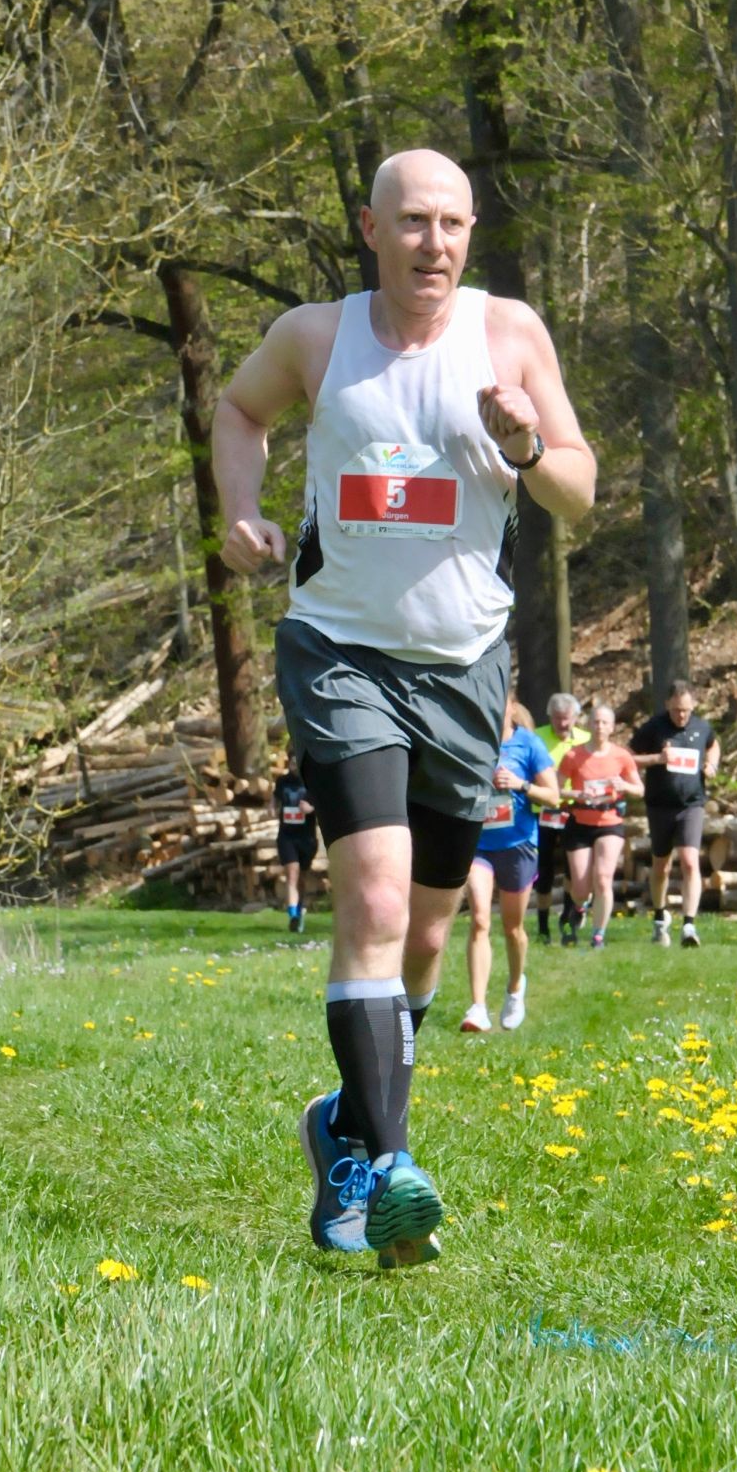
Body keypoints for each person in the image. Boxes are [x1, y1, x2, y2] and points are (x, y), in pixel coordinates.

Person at [213, 147, 595, 1267]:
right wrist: (242, 511)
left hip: (465, 667)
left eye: (453, 223)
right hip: (340, 653)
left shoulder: (509, 333)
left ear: (471, 234)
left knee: (427, 933)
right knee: (374, 899)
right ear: (371, 229)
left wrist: (526, 444)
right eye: (414, 221)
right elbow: (238, 410)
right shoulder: (315, 338)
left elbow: (577, 492)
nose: (435, 243)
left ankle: (342, 1126)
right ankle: (388, 1168)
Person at [461, 697, 559, 1034]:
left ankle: (515, 987)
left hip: (518, 844)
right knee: (479, 919)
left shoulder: (528, 744)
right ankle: (478, 1008)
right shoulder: (470, 740)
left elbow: (553, 796)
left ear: (511, 707)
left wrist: (520, 784)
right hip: (478, 845)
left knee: (512, 928)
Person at [629, 680, 720, 949]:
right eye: (677, 710)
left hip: (691, 804)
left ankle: (689, 924)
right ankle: (660, 916)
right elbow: (627, 757)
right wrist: (657, 759)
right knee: (662, 865)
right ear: (668, 703)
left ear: (694, 706)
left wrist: (712, 765)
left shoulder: (701, 727)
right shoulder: (653, 728)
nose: (681, 715)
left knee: (690, 862)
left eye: (686, 710)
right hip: (659, 806)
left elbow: (714, 744)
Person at [556, 703, 644, 948]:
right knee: (580, 886)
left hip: (610, 822)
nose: (600, 727)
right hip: (580, 822)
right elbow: (556, 789)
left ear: (612, 727)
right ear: (588, 725)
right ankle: (579, 907)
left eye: (605, 722)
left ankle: (598, 935)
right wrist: (576, 794)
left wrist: (624, 786)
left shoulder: (621, 756)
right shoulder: (573, 755)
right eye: (596, 721)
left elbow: (639, 789)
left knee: (603, 878)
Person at [532, 692, 588, 945]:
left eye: (567, 718)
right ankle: (543, 927)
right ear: (549, 717)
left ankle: (567, 916)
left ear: (576, 717)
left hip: (574, 812)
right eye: (557, 718)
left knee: (572, 869)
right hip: (542, 812)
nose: (562, 724)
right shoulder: (536, 737)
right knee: (544, 872)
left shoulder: (585, 739)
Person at [273, 746, 318, 932]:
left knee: (302, 878)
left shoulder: (313, 782)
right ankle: (292, 916)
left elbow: (323, 805)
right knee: (292, 874)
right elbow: (275, 801)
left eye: (296, 761)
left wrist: (311, 808)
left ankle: (299, 912)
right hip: (287, 836)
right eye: (291, 761)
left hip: (307, 838)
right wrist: (272, 809)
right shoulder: (282, 781)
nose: (293, 764)